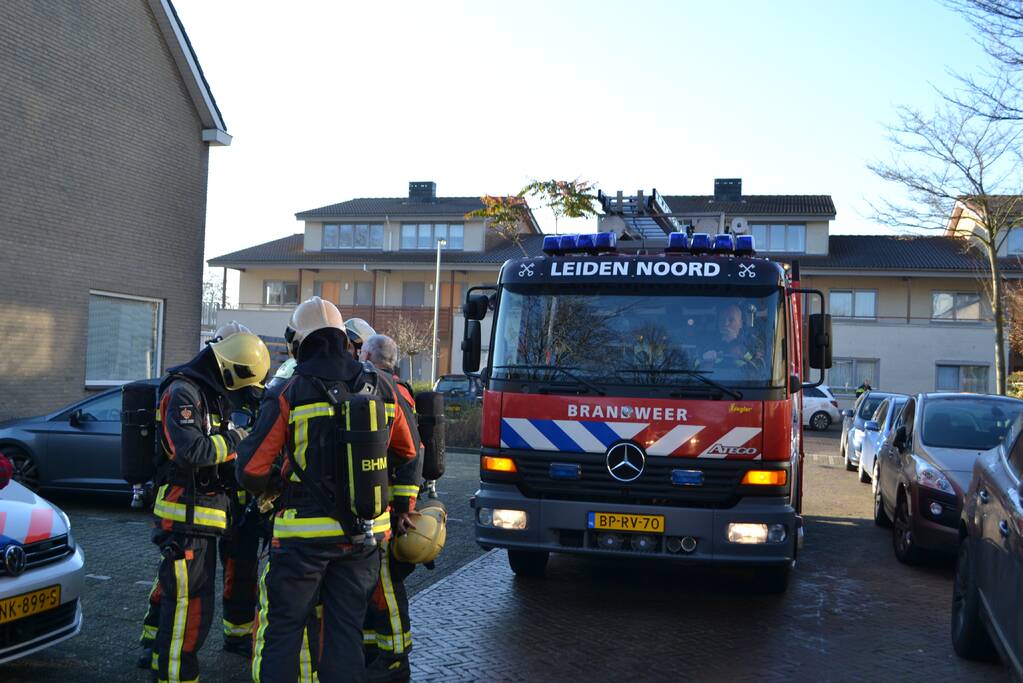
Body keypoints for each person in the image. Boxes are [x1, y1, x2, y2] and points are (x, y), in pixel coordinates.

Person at [237, 297, 418, 682]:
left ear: (299, 342)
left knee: (283, 631)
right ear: (343, 339)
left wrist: (272, 488)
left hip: (300, 541)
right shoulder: (382, 386)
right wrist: (404, 503)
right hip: (363, 538)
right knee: (345, 633)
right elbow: (409, 452)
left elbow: (250, 468)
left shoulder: (290, 391)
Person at [137, 322, 266, 670]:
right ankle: (166, 661)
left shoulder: (219, 390)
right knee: (187, 599)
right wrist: (239, 440)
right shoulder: (183, 392)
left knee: (215, 583)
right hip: (186, 512)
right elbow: (191, 450)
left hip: (219, 508)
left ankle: (231, 637)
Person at [359, 334, 423, 682]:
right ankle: (374, 652)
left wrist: (403, 508)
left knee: (386, 584)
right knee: (375, 587)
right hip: (384, 507)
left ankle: (396, 658)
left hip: (386, 512)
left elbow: (412, 453)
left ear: (368, 355)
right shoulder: (393, 389)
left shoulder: (391, 392)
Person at [700, 303, 764, 373]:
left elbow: (758, 369)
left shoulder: (753, 342)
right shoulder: (708, 342)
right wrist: (706, 361)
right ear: (718, 323)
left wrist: (734, 342)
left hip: (744, 382)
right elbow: (695, 369)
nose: (725, 324)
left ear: (741, 324)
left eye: (731, 320)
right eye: (722, 319)